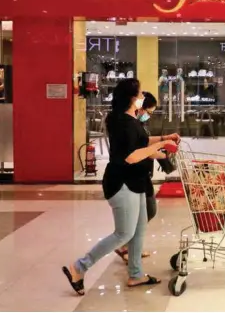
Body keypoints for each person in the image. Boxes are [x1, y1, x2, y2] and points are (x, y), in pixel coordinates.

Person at [62, 79, 177, 295]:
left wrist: (163, 142)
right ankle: (79, 267)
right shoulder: (122, 121)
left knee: (139, 229)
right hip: (122, 182)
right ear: (132, 97)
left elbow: (140, 144)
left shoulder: (129, 118)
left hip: (137, 180)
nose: (143, 95)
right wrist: (161, 145)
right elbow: (132, 156)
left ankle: (135, 274)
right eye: (140, 92)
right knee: (123, 234)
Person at [114, 91, 180, 264]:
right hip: (133, 177)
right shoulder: (128, 124)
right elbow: (137, 151)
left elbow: (144, 142)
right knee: (146, 212)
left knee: (145, 214)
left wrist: (164, 140)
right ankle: (124, 247)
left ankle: (131, 252)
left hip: (141, 175)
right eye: (148, 112)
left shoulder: (136, 124)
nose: (148, 116)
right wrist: (161, 152)